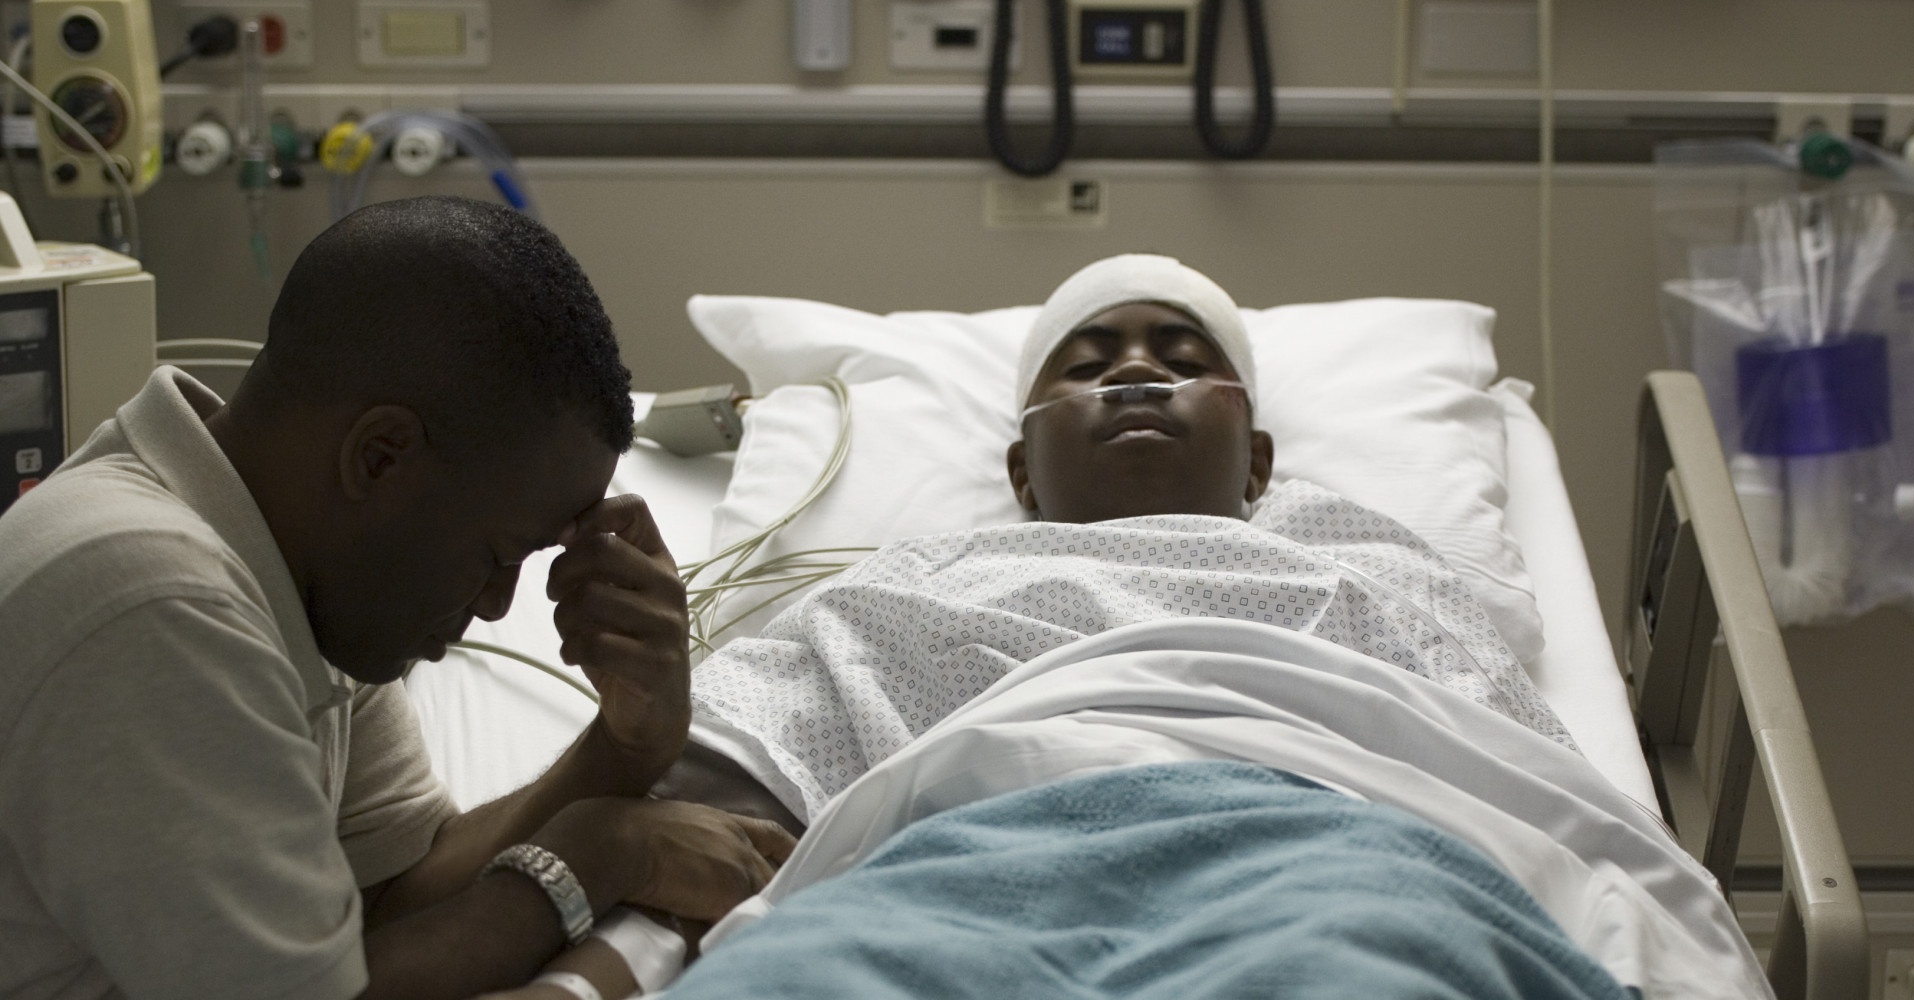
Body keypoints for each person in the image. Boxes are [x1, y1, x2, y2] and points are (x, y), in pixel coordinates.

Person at [0, 196, 792, 1000]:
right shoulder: (154, 604)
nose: (492, 605)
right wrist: (607, 854)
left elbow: (395, 893)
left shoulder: (292, 572)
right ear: (380, 458)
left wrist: (626, 749)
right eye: (494, 555)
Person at [663, 254, 1570, 830]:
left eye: (1183, 360)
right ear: (1023, 474)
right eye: (1090, 367)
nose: (1138, 372)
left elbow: (1528, 789)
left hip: (1321, 859)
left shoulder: (1365, 563)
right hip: (974, 879)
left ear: (1257, 463)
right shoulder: (910, 589)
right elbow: (720, 768)